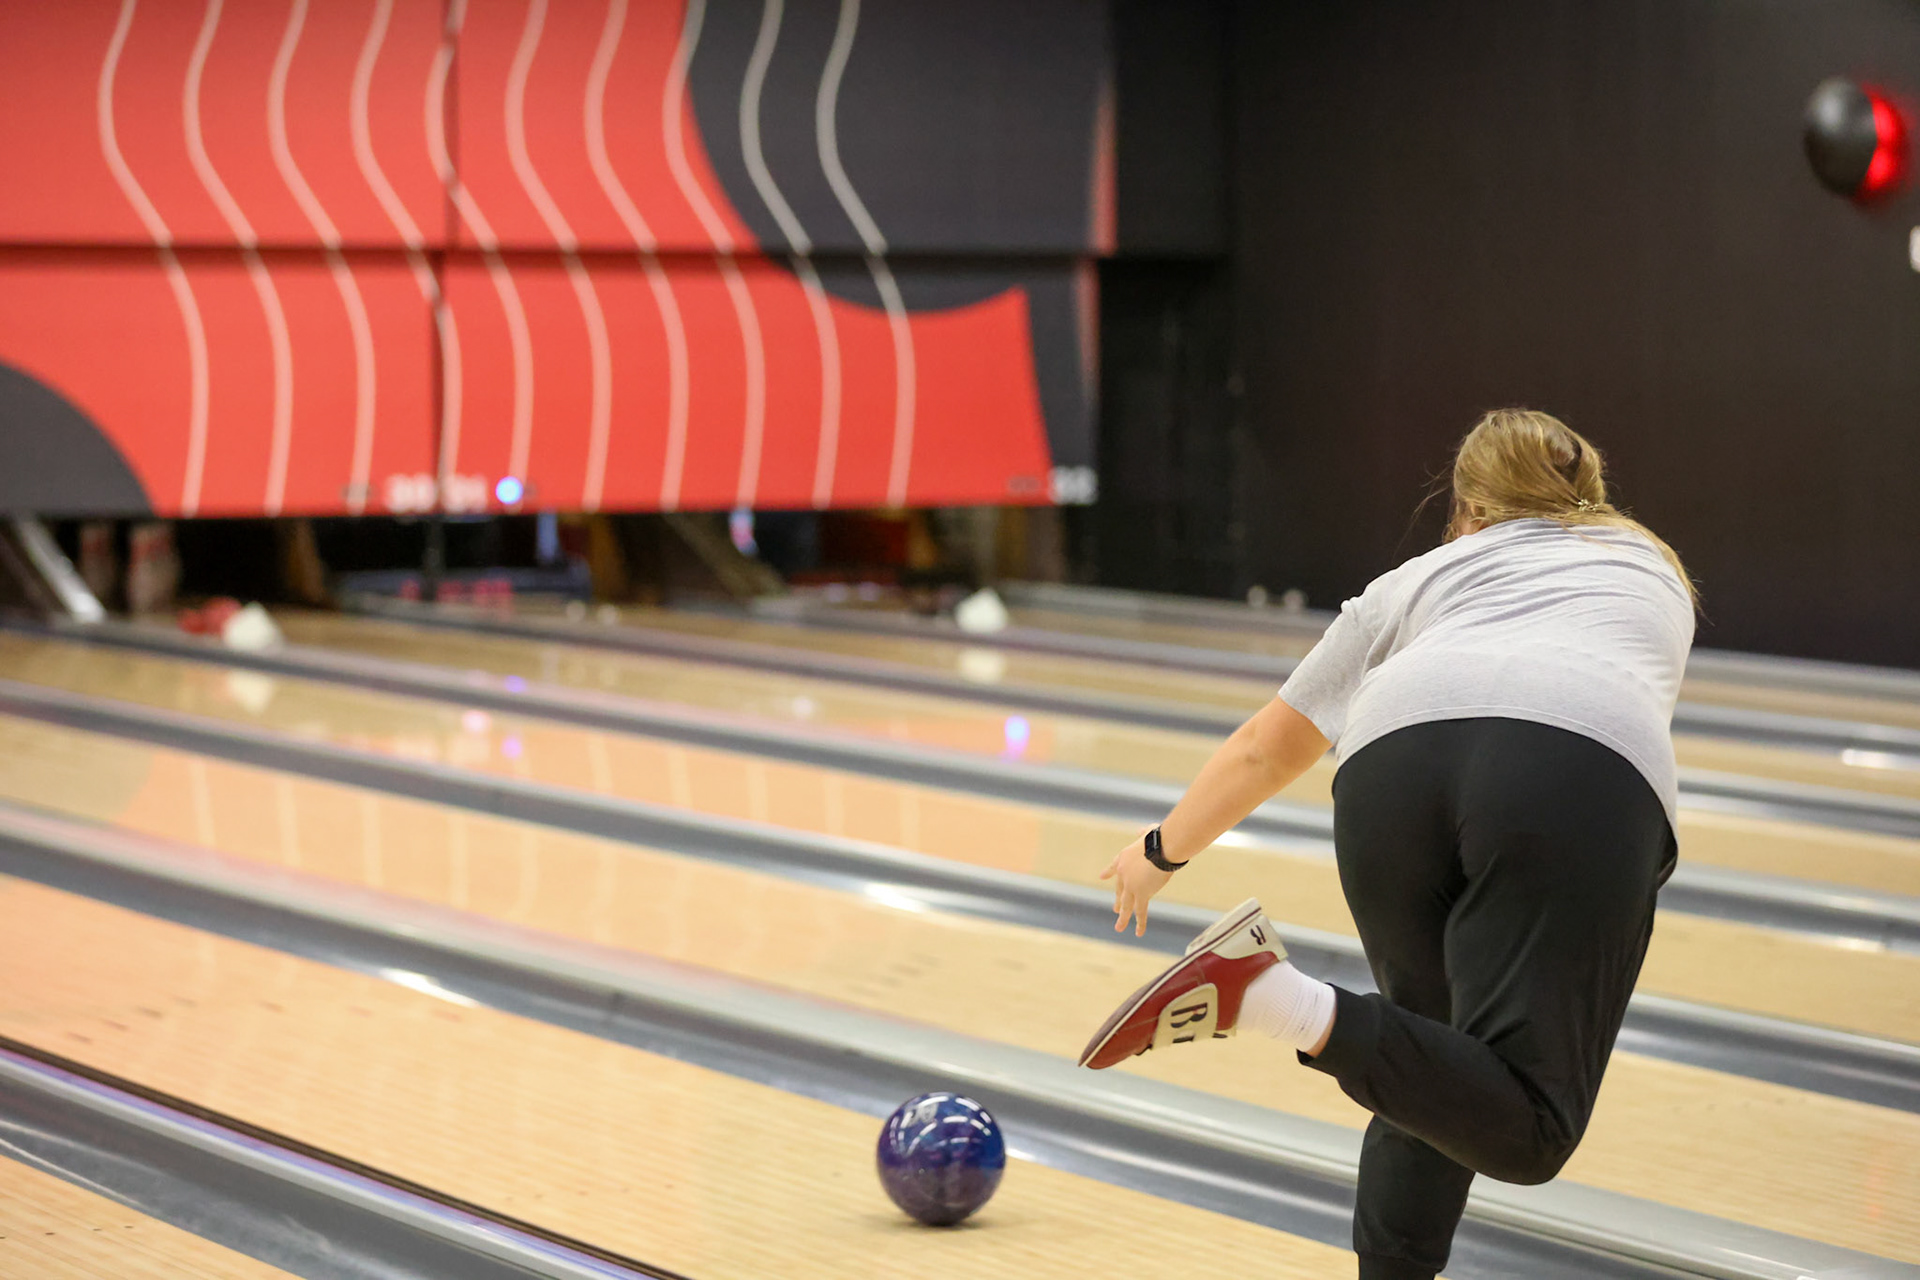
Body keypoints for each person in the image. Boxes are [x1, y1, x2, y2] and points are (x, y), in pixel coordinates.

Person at [1078, 409, 1697, 1280]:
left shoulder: (1414, 580)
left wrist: (1159, 851)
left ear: (1468, 506)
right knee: (1529, 1130)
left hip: (1387, 770)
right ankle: (1272, 995)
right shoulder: (1648, 561)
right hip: (1570, 760)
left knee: (1421, 1061)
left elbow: (1268, 744)